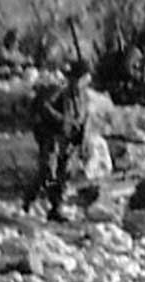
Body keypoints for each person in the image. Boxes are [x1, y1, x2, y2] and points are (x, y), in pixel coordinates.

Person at [24, 59, 93, 220]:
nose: (86, 81)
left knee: (64, 173)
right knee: (48, 171)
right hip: (52, 136)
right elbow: (43, 106)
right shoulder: (59, 91)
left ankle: (55, 208)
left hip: (69, 140)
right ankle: (29, 198)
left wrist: (84, 141)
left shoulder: (84, 97)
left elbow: (85, 119)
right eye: (84, 78)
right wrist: (62, 120)